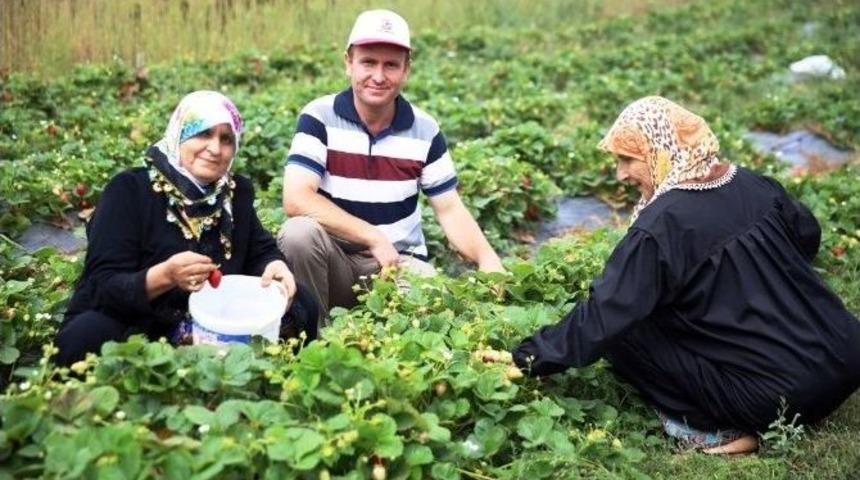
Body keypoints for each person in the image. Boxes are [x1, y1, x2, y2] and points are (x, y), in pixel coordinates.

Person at [503, 96, 860, 453]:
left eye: (627, 159)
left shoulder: (661, 226)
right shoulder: (753, 184)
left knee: (626, 331)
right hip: (846, 357)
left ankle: (726, 430)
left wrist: (531, 358)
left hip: (777, 400)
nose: (620, 174)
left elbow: (605, 315)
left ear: (661, 153)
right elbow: (807, 235)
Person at [55, 91, 318, 366]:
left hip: (213, 326)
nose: (215, 149)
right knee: (87, 334)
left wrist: (275, 265)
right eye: (203, 134)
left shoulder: (234, 193)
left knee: (302, 302)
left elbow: (260, 249)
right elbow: (101, 287)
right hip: (139, 326)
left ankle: (279, 379)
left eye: (226, 139)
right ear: (179, 133)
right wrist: (165, 276)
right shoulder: (130, 191)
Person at [278, 9, 504, 328]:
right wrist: (372, 236)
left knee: (433, 309)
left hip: (398, 264)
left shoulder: (425, 130)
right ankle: (314, 334)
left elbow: (450, 208)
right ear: (349, 63)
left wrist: (487, 259)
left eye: (391, 65)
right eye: (368, 62)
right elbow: (297, 199)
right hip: (334, 262)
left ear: (406, 69)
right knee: (298, 234)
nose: (379, 76)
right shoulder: (319, 117)